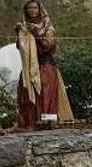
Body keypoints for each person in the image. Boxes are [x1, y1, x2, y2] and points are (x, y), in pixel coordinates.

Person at [15, 0, 73, 130]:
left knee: (47, 95)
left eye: (35, 8)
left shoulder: (47, 26)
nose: (32, 10)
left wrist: (35, 33)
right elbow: (20, 47)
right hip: (29, 66)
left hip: (46, 64)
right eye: (29, 8)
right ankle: (32, 123)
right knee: (26, 93)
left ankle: (48, 122)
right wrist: (19, 34)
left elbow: (50, 45)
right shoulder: (25, 26)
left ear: (39, 9)